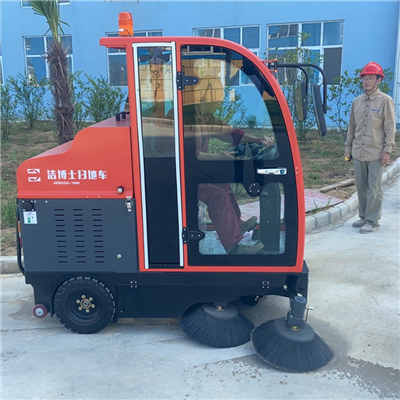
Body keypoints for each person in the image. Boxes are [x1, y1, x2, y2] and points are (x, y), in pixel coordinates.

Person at [344, 61, 396, 233]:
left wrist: (387, 150)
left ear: (379, 80)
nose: (366, 82)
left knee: (374, 188)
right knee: (361, 186)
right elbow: (352, 127)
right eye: (364, 78)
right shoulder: (357, 102)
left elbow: (390, 128)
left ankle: (372, 220)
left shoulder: (385, 101)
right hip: (358, 151)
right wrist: (348, 149)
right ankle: (363, 216)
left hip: (376, 152)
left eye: (370, 78)